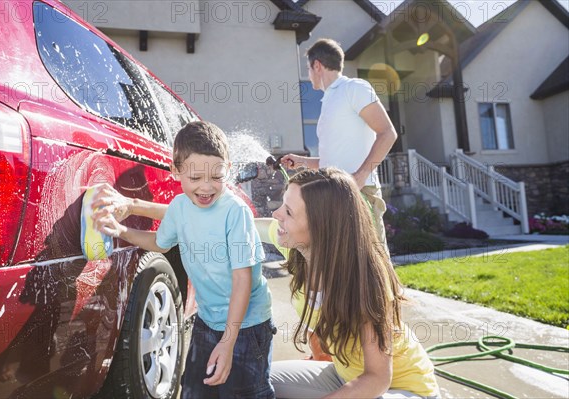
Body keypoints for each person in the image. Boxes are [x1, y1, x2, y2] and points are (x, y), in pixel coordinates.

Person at [92, 121, 275, 398]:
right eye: (196, 178)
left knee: (242, 393)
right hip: (208, 320)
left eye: (216, 177)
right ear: (176, 171)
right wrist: (121, 231)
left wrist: (228, 342)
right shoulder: (180, 207)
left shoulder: (235, 212)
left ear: (227, 167)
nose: (206, 187)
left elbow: (242, 279)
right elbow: (159, 243)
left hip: (247, 326)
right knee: (194, 390)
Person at [255, 168, 440, 399]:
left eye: (289, 212)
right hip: (345, 377)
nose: (276, 214)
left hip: (401, 390)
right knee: (254, 382)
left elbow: (378, 378)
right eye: (283, 204)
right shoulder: (296, 246)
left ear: (321, 226)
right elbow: (250, 226)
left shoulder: (366, 279)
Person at [281, 38, 397, 253]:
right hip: (334, 194)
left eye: (308, 68)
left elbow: (388, 133)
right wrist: (303, 162)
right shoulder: (328, 101)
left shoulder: (354, 88)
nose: (309, 74)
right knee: (344, 268)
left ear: (317, 65)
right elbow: (332, 161)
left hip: (361, 193)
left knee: (374, 266)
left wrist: (360, 177)